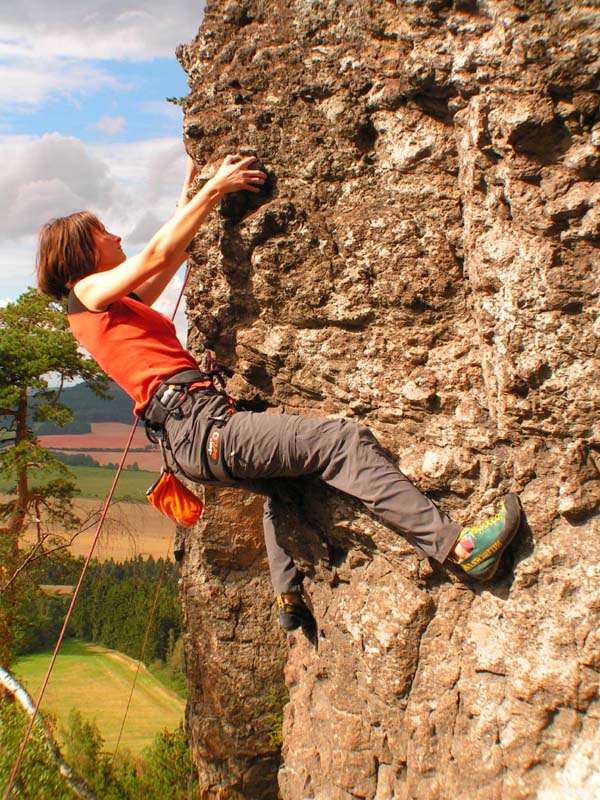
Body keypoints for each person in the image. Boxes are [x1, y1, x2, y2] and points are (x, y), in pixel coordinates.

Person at [36, 153, 521, 632]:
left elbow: (173, 255)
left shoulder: (114, 307)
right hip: (201, 427)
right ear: (80, 252)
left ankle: (287, 594)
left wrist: (190, 191)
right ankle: (459, 548)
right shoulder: (87, 295)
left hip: (190, 435)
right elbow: (155, 256)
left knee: (285, 487)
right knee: (342, 442)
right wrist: (215, 190)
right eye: (103, 232)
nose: (115, 235)